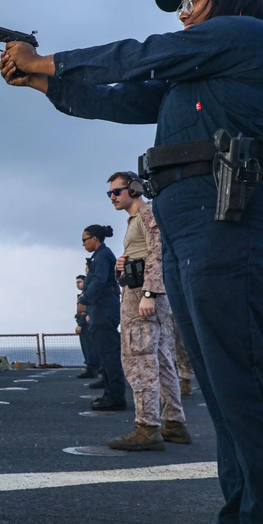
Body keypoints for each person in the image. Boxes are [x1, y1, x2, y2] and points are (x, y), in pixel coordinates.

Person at [0, 0, 263, 524]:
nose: (184, 14)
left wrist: (51, 60)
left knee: (246, 385)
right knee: (227, 394)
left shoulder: (247, 34)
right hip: (203, 224)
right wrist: (42, 83)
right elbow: (123, 96)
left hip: (234, 219)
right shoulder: (201, 71)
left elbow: (144, 54)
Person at [104, 171, 189, 450]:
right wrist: (123, 265)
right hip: (143, 292)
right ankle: (174, 423)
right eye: (110, 194)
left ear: (135, 188)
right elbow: (145, 253)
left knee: (139, 359)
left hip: (143, 296)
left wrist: (150, 293)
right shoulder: (136, 219)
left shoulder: (146, 214)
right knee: (163, 358)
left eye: (117, 192)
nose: (113, 197)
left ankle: (147, 427)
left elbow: (158, 251)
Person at [76, 225, 126, 410]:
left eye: (85, 239)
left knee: (109, 354)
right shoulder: (100, 256)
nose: (83, 244)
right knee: (105, 353)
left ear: (95, 239)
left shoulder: (103, 256)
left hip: (105, 308)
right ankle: (109, 393)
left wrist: (85, 300)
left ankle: (115, 397)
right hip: (101, 309)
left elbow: (99, 281)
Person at [74, 274, 97, 378]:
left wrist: (80, 324)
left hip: (86, 324)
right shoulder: (83, 294)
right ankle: (92, 367)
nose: (77, 284)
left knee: (88, 346)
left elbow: (85, 310)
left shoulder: (87, 294)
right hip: (84, 322)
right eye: (76, 282)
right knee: (87, 346)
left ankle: (92, 368)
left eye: (79, 282)